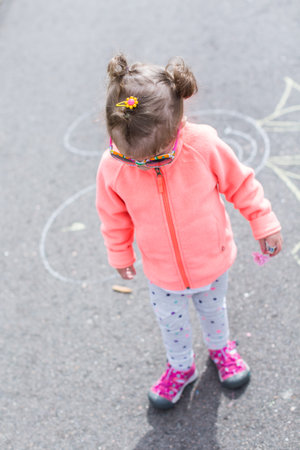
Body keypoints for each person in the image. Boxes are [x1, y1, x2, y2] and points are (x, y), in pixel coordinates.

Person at [96, 54, 282, 410]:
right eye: (132, 156)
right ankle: (181, 367)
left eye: (155, 156)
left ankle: (221, 348)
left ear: (178, 125)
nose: (143, 164)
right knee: (171, 321)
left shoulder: (203, 145)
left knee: (214, 310)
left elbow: (240, 184)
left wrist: (263, 222)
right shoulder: (115, 165)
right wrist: (119, 252)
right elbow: (112, 214)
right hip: (162, 271)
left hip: (211, 259)